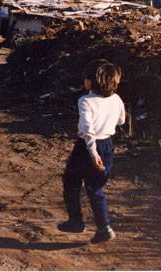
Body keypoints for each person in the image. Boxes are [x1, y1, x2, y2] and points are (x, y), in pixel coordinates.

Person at [59, 60, 125, 244]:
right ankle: (104, 228)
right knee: (95, 188)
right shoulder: (116, 99)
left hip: (86, 148)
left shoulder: (85, 101)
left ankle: (76, 221)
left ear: (91, 82)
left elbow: (88, 130)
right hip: (107, 147)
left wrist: (93, 153)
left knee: (71, 180)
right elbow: (121, 121)